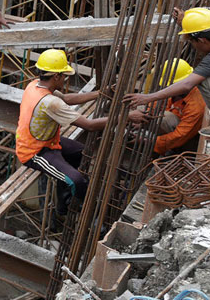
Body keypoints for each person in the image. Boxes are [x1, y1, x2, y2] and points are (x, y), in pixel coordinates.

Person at [18, 49, 145, 227]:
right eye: (64, 76)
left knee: (82, 153)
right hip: (34, 151)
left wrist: (102, 93)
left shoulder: (35, 86)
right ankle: (75, 210)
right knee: (77, 180)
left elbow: (68, 99)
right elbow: (89, 125)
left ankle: (64, 195)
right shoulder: (50, 102)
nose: (65, 79)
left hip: (48, 141)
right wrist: (126, 117)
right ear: (56, 76)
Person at [127, 8, 210, 139]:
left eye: (191, 41)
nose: (193, 45)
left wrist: (147, 97)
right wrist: (187, 24)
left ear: (202, 40)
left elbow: (187, 84)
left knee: (203, 78)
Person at [149, 58, 205, 156]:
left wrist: (153, 142)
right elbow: (155, 105)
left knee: (164, 118)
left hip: (186, 140)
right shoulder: (176, 92)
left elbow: (181, 135)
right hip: (173, 131)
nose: (169, 88)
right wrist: (145, 116)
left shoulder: (196, 104)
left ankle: (171, 150)